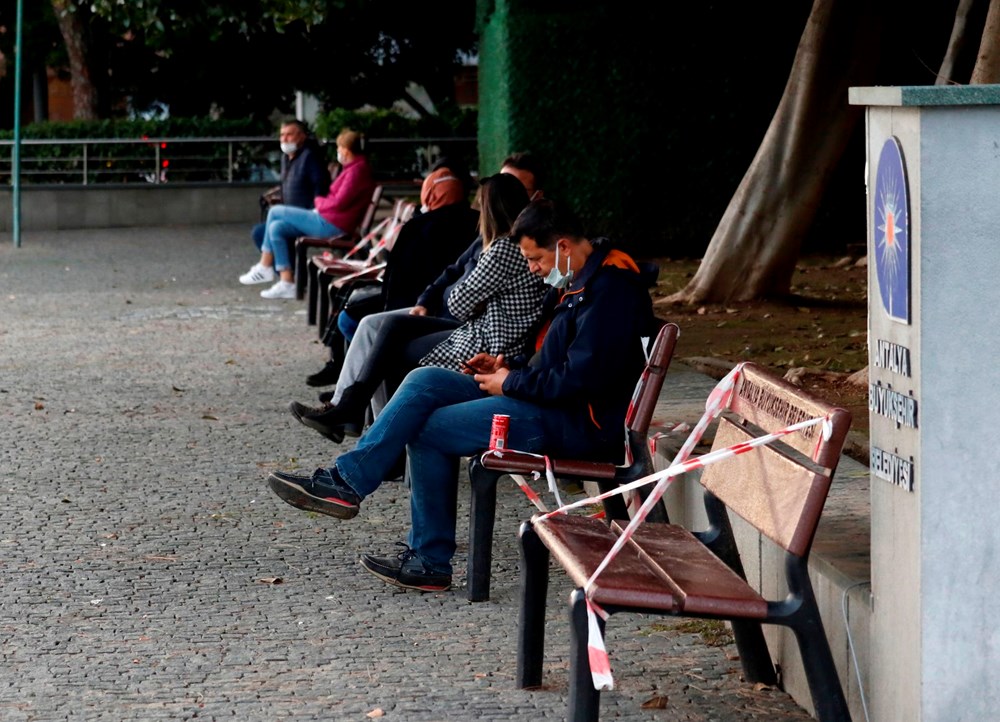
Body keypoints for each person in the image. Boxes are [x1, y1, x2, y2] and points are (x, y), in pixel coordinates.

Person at [268, 198, 658, 592]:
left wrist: (511, 382)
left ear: (562, 245)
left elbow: (581, 379)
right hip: (549, 403)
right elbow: (560, 360)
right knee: (426, 380)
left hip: (576, 424)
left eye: (535, 258)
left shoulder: (611, 291)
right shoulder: (582, 279)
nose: (533, 269)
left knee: (429, 429)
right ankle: (346, 482)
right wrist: (508, 367)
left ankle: (429, 560)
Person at [289, 173, 547, 444]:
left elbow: (457, 303)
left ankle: (370, 429)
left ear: (491, 209)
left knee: (391, 346)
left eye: (480, 204)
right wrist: (438, 298)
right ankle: (351, 409)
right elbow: (454, 278)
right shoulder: (501, 244)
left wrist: (458, 296)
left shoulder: (503, 249)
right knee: (388, 327)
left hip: (487, 340)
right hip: (477, 326)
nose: (476, 210)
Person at [239, 128, 375, 300]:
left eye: (339, 148)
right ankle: (287, 281)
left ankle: (265, 265)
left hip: (333, 224)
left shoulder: (357, 171)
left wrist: (319, 202)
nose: (338, 152)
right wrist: (323, 204)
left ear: (346, 150)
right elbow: (337, 199)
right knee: (277, 227)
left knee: (275, 211)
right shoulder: (353, 168)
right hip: (331, 219)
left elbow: (339, 201)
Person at [250, 119, 331, 251]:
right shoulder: (286, 158)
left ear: (301, 136)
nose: (284, 139)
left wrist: (314, 213)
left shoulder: (310, 157)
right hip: (290, 214)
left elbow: (321, 187)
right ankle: (286, 270)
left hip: (307, 216)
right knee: (262, 231)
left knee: (264, 231)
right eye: (282, 135)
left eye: (289, 134)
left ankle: (278, 268)